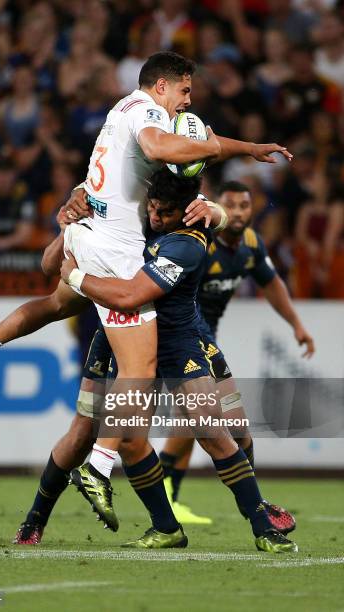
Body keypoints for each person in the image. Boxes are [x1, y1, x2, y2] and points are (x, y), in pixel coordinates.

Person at [0, 51, 292, 510]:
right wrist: (212, 151)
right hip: (116, 251)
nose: (186, 104)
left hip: (89, 229)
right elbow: (158, 148)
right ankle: (99, 467)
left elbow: (172, 150)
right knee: (139, 369)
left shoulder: (120, 109)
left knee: (55, 299)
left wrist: (246, 149)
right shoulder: (151, 114)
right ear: (163, 86)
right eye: (184, 92)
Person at [61, 168, 298, 553]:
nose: (155, 217)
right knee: (131, 442)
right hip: (135, 339)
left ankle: (262, 527)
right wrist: (77, 195)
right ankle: (166, 527)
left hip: (176, 341)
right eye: (152, 207)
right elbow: (105, 188)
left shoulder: (188, 243)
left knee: (211, 430)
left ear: (187, 211)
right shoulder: (145, 212)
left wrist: (76, 278)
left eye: (165, 212)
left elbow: (132, 295)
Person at [158, 180, 315, 520]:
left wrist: (296, 325)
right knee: (212, 419)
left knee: (198, 421)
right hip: (182, 338)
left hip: (205, 338)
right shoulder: (200, 243)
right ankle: (250, 505)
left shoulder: (250, 244)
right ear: (216, 207)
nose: (239, 212)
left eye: (245, 205)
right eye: (231, 205)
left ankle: (171, 494)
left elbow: (271, 283)